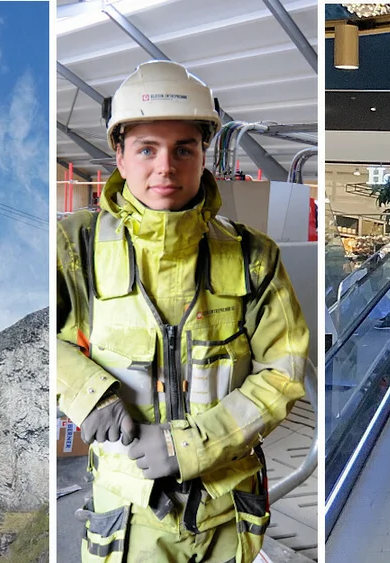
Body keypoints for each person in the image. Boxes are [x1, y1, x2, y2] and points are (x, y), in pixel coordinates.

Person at [56, 60, 308, 563]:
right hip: (129, 517)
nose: (165, 167)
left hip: (226, 513)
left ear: (203, 155)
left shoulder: (253, 254)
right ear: (120, 156)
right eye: (147, 149)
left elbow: (284, 370)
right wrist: (89, 392)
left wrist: (189, 445)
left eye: (183, 149)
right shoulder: (73, 246)